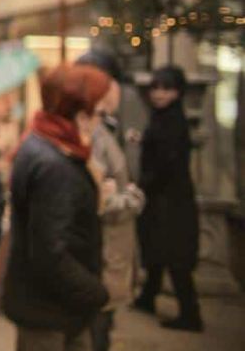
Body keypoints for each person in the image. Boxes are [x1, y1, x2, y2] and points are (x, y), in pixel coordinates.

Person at [2, 64, 111, 351]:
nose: (101, 120)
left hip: (50, 307)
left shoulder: (44, 141)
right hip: (51, 311)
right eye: (98, 112)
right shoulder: (54, 164)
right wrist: (96, 291)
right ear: (78, 112)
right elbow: (50, 252)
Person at [75, 50, 145, 351]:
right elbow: (95, 199)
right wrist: (132, 199)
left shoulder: (106, 125)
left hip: (112, 250)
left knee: (101, 325)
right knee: (95, 330)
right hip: (100, 252)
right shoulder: (88, 131)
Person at [132, 65, 203, 332]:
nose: (159, 94)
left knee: (174, 256)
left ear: (178, 92)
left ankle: (190, 313)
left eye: (167, 88)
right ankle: (148, 297)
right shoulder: (163, 117)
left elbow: (166, 161)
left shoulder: (172, 120)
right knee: (157, 251)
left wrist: (143, 186)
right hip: (163, 197)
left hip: (169, 200)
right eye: (156, 88)